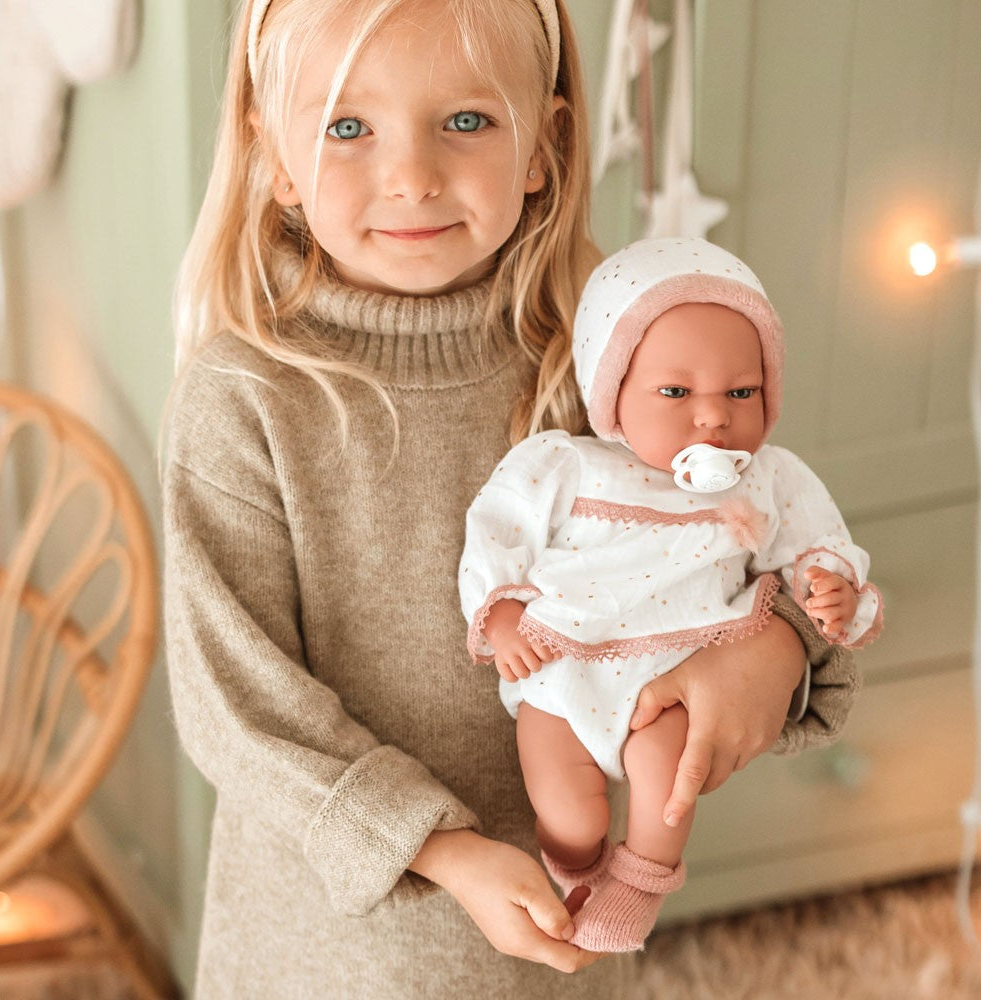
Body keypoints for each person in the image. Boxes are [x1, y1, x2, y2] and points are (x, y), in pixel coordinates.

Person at [162, 0, 860, 995]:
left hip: (563, 945)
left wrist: (780, 649)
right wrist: (441, 849)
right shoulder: (243, 402)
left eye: (466, 121)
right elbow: (236, 707)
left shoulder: (606, 366)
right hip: (329, 955)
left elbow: (764, 534)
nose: (410, 175)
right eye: (346, 127)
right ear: (274, 153)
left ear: (545, 143)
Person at [459, 236, 883, 953]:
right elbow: (498, 527)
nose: (712, 417)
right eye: (676, 393)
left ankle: (638, 885)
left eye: (740, 392)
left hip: (682, 674)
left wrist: (832, 585)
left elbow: (820, 543)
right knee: (559, 791)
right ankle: (576, 870)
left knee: (668, 777)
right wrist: (498, 611)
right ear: (612, 393)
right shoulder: (568, 464)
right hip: (565, 658)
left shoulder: (770, 477)